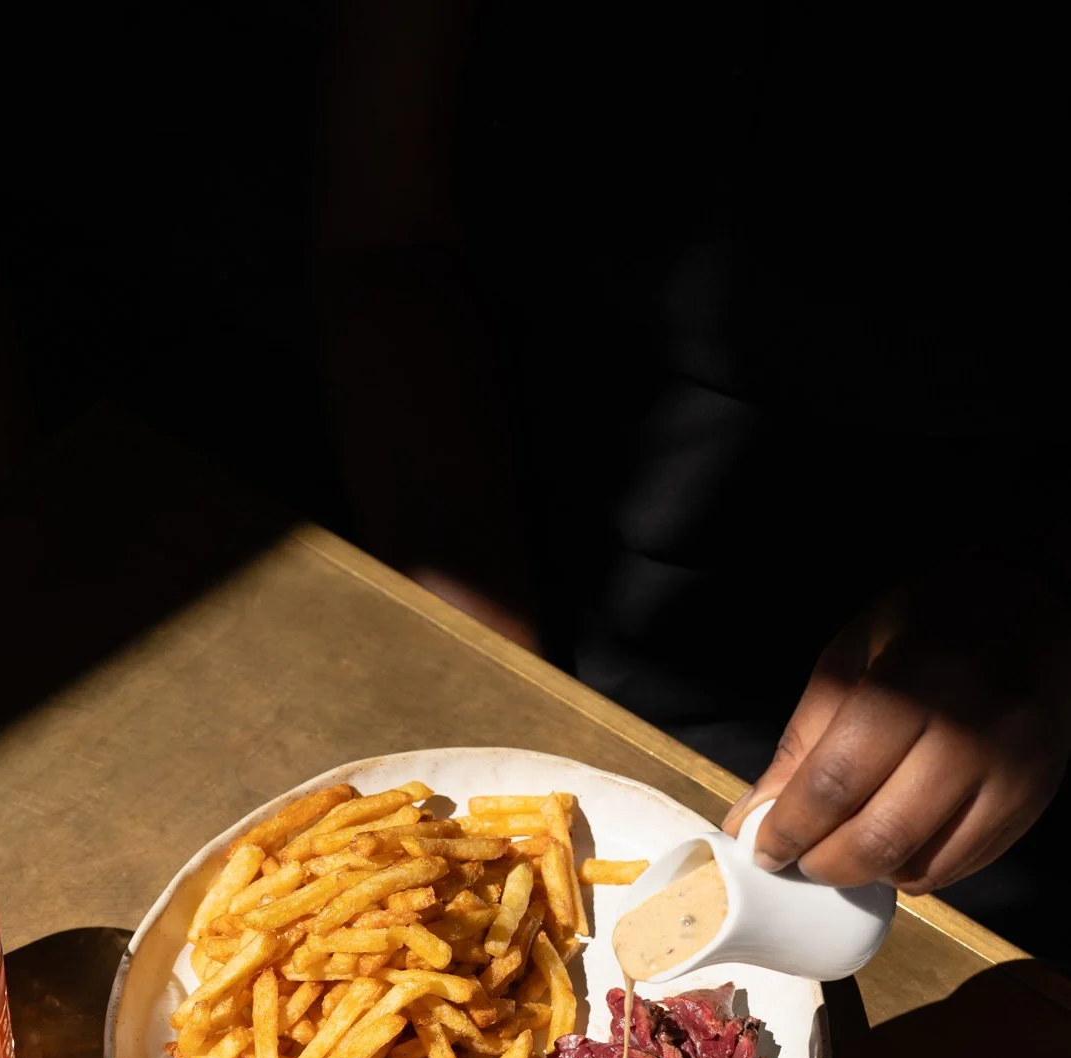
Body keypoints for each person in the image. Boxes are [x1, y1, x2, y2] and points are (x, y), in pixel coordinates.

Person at [315, 1, 1071, 908]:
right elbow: (387, 244)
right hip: (520, 539)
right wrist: (482, 660)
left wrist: (1040, 602)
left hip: (969, 704)